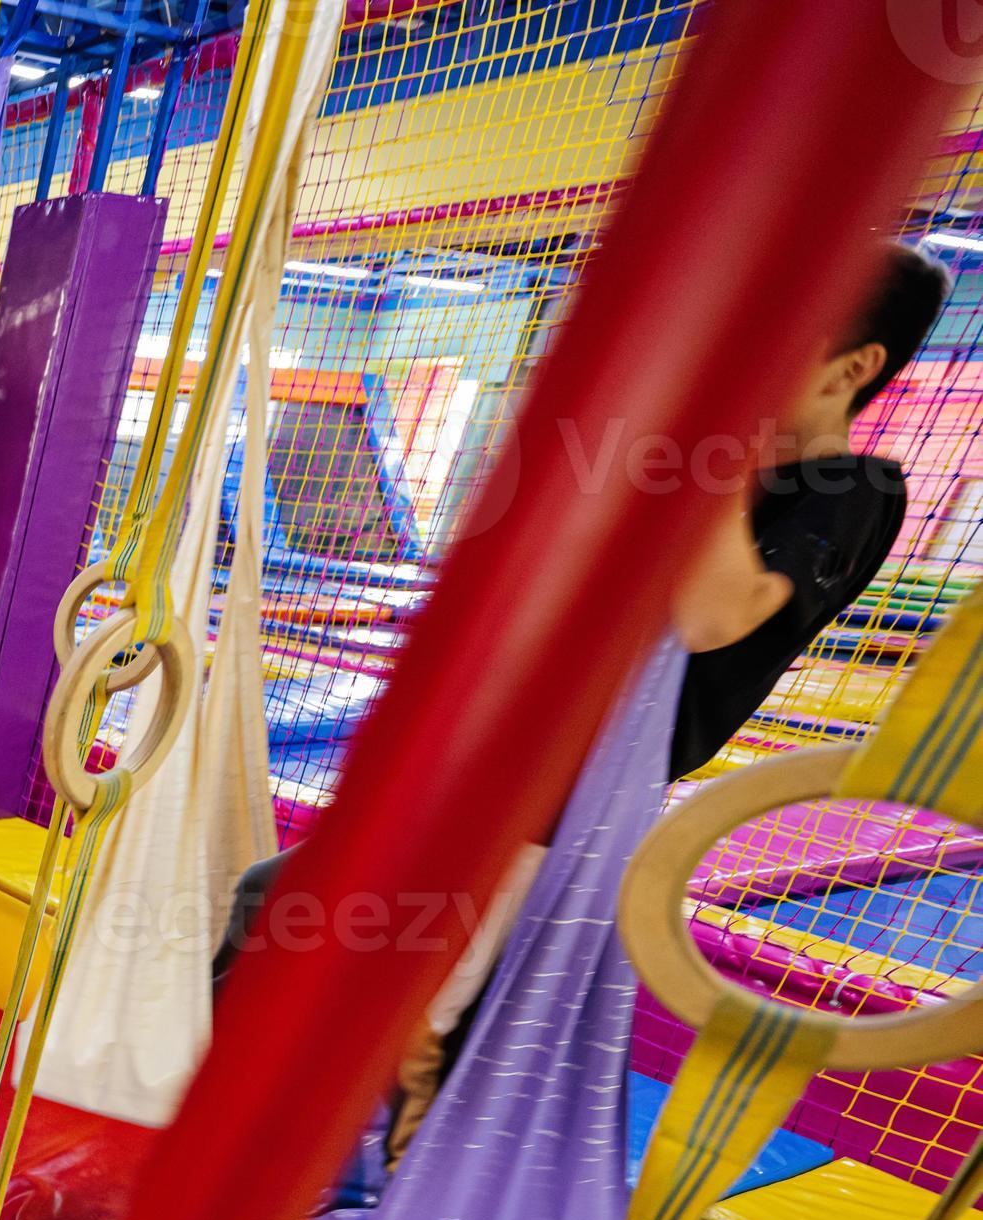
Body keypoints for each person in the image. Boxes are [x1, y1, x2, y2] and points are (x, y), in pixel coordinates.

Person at [218, 238, 948, 1155]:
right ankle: (235, 1124)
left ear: (853, 367)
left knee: (418, 998)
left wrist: (714, 441)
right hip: (526, 759)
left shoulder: (854, 488)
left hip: (583, 792)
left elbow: (717, 614)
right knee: (279, 903)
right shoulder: (709, 468)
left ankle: (373, 1175)